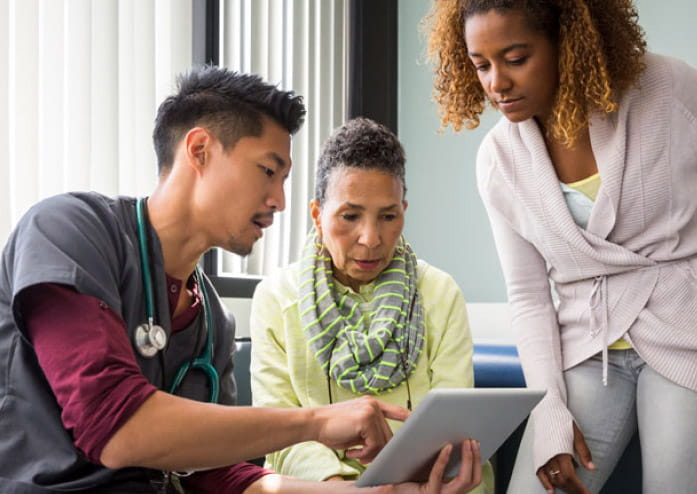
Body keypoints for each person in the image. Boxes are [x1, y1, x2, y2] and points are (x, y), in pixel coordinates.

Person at [0, 67, 480, 493]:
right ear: (201, 150)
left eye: (284, 179)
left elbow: (219, 476)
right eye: (268, 171)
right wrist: (314, 422)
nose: (279, 200)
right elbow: (114, 427)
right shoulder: (68, 231)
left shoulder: (211, 318)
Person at [424, 1, 697, 493]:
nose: (496, 83)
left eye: (515, 57)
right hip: (587, 348)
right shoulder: (498, 161)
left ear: (566, 43)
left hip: (685, 331)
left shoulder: (670, 90)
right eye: (480, 64)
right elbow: (529, 295)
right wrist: (549, 411)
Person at [249, 117, 491, 493]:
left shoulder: (440, 294)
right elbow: (281, 432)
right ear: (317, 215)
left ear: (403, 212)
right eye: (350, 216)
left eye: (388, 216)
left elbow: (452, 427)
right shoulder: (276, 298)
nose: (371, 238)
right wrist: (344, 489)